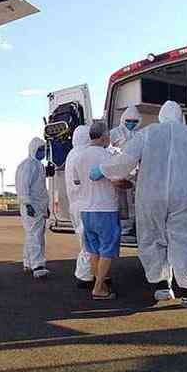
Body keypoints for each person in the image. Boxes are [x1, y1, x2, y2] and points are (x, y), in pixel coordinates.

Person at [92, 101, 187, 308]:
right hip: (185, 198)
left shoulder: (148, 133)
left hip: (151, 196)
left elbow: (125, 161)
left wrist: (104, 169)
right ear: (181, 117)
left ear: (161, 116)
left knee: (152, 238)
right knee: (186, 241)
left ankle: (161, 286)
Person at [76, 121, 122, 299]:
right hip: (105, 209)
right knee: (107, 250)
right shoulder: (106, 156)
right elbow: (117, 181)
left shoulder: (80, 157)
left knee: (94, 250)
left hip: (86, 209)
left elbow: (77, 182)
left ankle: (99, 284)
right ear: (104, 136)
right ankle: (98, 288)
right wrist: (129, 183)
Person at [15, 137, 50, 279]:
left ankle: (28, 262)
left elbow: (41, 189)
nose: (43, 152)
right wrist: (27, 203)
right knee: (35, 236)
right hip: (31, 206)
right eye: (40, 149)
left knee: (34, 235)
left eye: (44, 149)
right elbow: (23, 186)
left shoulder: (38, 165)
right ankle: (38, 266)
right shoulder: (28, 165)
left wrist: (45, 207)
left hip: (38, 207)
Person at [64, 125, 94, 289]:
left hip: (75, 204)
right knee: (89, 241)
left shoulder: (72, 154)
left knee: (84, 240)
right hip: (85, 204)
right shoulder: (83, 154)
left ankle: (87, 274)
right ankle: (85, 276)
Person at [109, 105, 142, 242]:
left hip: (135, 173)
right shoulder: (115, 133)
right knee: (121, 201)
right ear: (123, 120)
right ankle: (122, 228)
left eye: (134, 121)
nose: (131, 123)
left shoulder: (139, 134)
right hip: (119, 171)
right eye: (129, 120)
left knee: (133, 201)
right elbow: (108, 149)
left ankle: (131, 227)